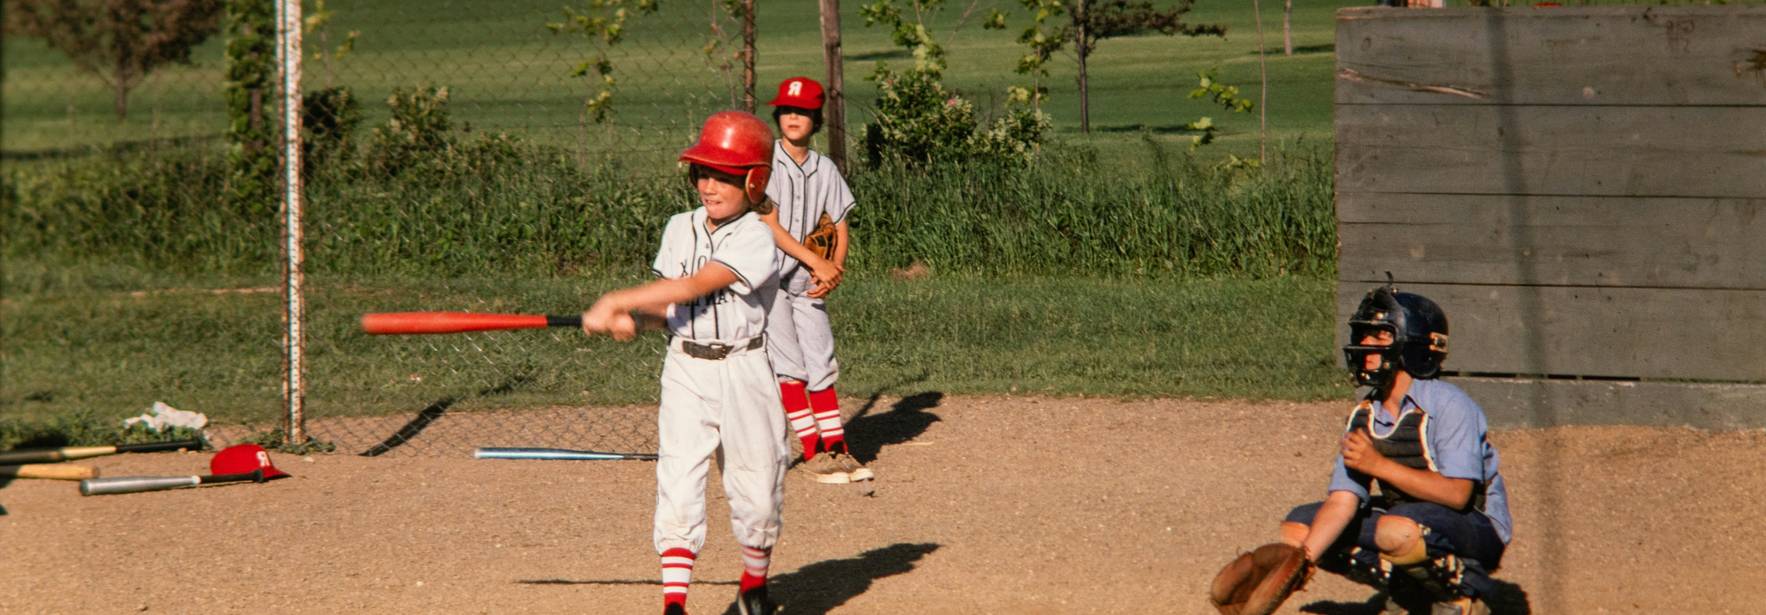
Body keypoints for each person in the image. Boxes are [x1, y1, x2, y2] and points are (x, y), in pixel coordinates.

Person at [580, 110, 786, 615]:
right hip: (686, 371)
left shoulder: (757, 237)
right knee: (678, 479)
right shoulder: (679, 228)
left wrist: (614, 298)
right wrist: (637, 319)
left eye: (725, 175)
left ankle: (753, 587)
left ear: (754, 181)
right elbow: (668, 307)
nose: (709, 185)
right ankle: (675, 603)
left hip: (744, 371)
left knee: (757, 491)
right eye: (702, 173)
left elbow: (695, 285)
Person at [1281, 284, 1513, 614]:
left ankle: (1464, 593)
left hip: (1475, 529)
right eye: (1363, 336)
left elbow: (1459, 494)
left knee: (1399, 526)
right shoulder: (1365, 414)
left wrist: (1379, 465)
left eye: (1379, 337)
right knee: (1301, 528)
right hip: (1411, 522)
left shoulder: (1449, 405)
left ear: (1412, 345)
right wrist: (1301, 563)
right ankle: (1411, 592)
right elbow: (1342, 501)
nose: (1365, 346)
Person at [756, 76, 871, 484]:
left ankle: (836, 445)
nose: (793, 117)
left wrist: (833, 269)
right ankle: (812, 449)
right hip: (768, 282)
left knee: (821, 358)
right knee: (791, 367)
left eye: (802, 111)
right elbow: (769, 226)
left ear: (815, 119)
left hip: (808, 280)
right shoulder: (766, 163)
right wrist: (816, 262)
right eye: (786, 110)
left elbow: (840, 224)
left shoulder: (825, 168)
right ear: (777, 116)